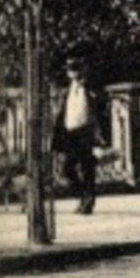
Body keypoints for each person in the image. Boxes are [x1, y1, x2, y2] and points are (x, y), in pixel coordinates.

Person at [51, 59, 106, 214]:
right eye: (71, 70)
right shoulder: (67, 91)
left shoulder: (89, 87)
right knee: (67, 169)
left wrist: (100, 136)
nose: (74, 73)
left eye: (76, 69)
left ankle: (88, 201)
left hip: (86, 133)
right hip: (71, 134)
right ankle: (83, 195)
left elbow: (99, 110)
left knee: (87, 168)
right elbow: (63, 115)